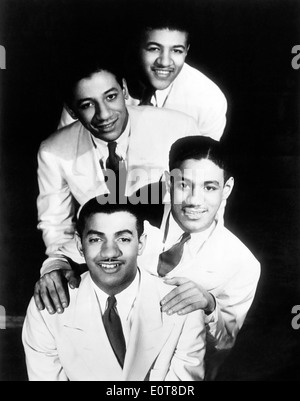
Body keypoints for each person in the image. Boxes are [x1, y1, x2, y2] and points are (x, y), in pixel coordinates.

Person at [34, 136, 260, 380]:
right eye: (184, 184)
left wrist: (209, 305)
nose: (195, 200)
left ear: (226, 189)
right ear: (167, 181)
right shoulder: (133, 216)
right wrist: (53, 271)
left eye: (209, 187)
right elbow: (63, 255)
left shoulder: (242, 264)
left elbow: (224, 344)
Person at [38, 56, 200, 276]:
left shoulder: (179, 128)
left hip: (175, 261)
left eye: (111, 97)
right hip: (102, 264)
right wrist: (58, 266)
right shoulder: (53, 151)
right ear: (72, 110)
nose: (104, 114)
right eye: (87, 105)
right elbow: (56, 226)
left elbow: (207, 207)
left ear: (124, 90)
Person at [23, 197, 206, 381]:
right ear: (80, 245)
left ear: (141, 244)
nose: (110, 252)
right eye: (95, 239)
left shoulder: (183, 307)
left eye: (123, 239)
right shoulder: (49, 309)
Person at [59, 16, 227, 141]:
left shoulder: (208, 100)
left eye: (176, 50)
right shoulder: (97, 82)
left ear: (187, 50)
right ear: (137, 47)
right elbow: (65, 149)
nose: (164, 62)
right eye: (154, 49)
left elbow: (203, 167)